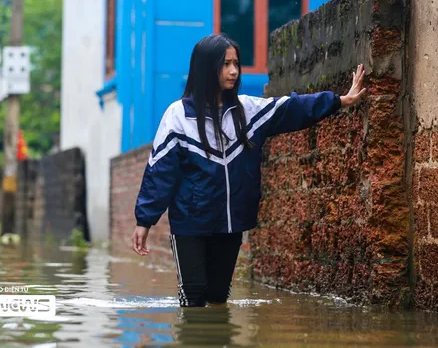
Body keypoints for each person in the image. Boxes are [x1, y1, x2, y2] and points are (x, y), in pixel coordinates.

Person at [131, 33, 367, 307]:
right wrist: (144, 220)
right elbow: (160, 172)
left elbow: (293, 108)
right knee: (193, 299)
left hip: (231, 223)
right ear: (207, 68)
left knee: (218, 298)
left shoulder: (249, 110)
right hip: (190, 224)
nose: (233, 70)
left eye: (236, 63)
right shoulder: (177, 116)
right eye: (225, 64)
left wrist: (339, 100)